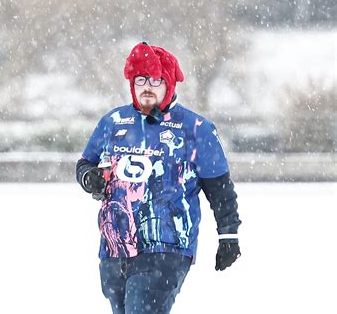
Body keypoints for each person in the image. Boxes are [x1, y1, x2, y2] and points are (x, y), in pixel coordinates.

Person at [75, 42, 241, 314]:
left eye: (155, 80)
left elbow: (219, 188)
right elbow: (86, 163)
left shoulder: (196, 129)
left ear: (169, 83)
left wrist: (228, 235)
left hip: (167, 248)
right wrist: (88, 178)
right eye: (140, 79)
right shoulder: (114, 121)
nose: (147, 87)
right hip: (115, 247)